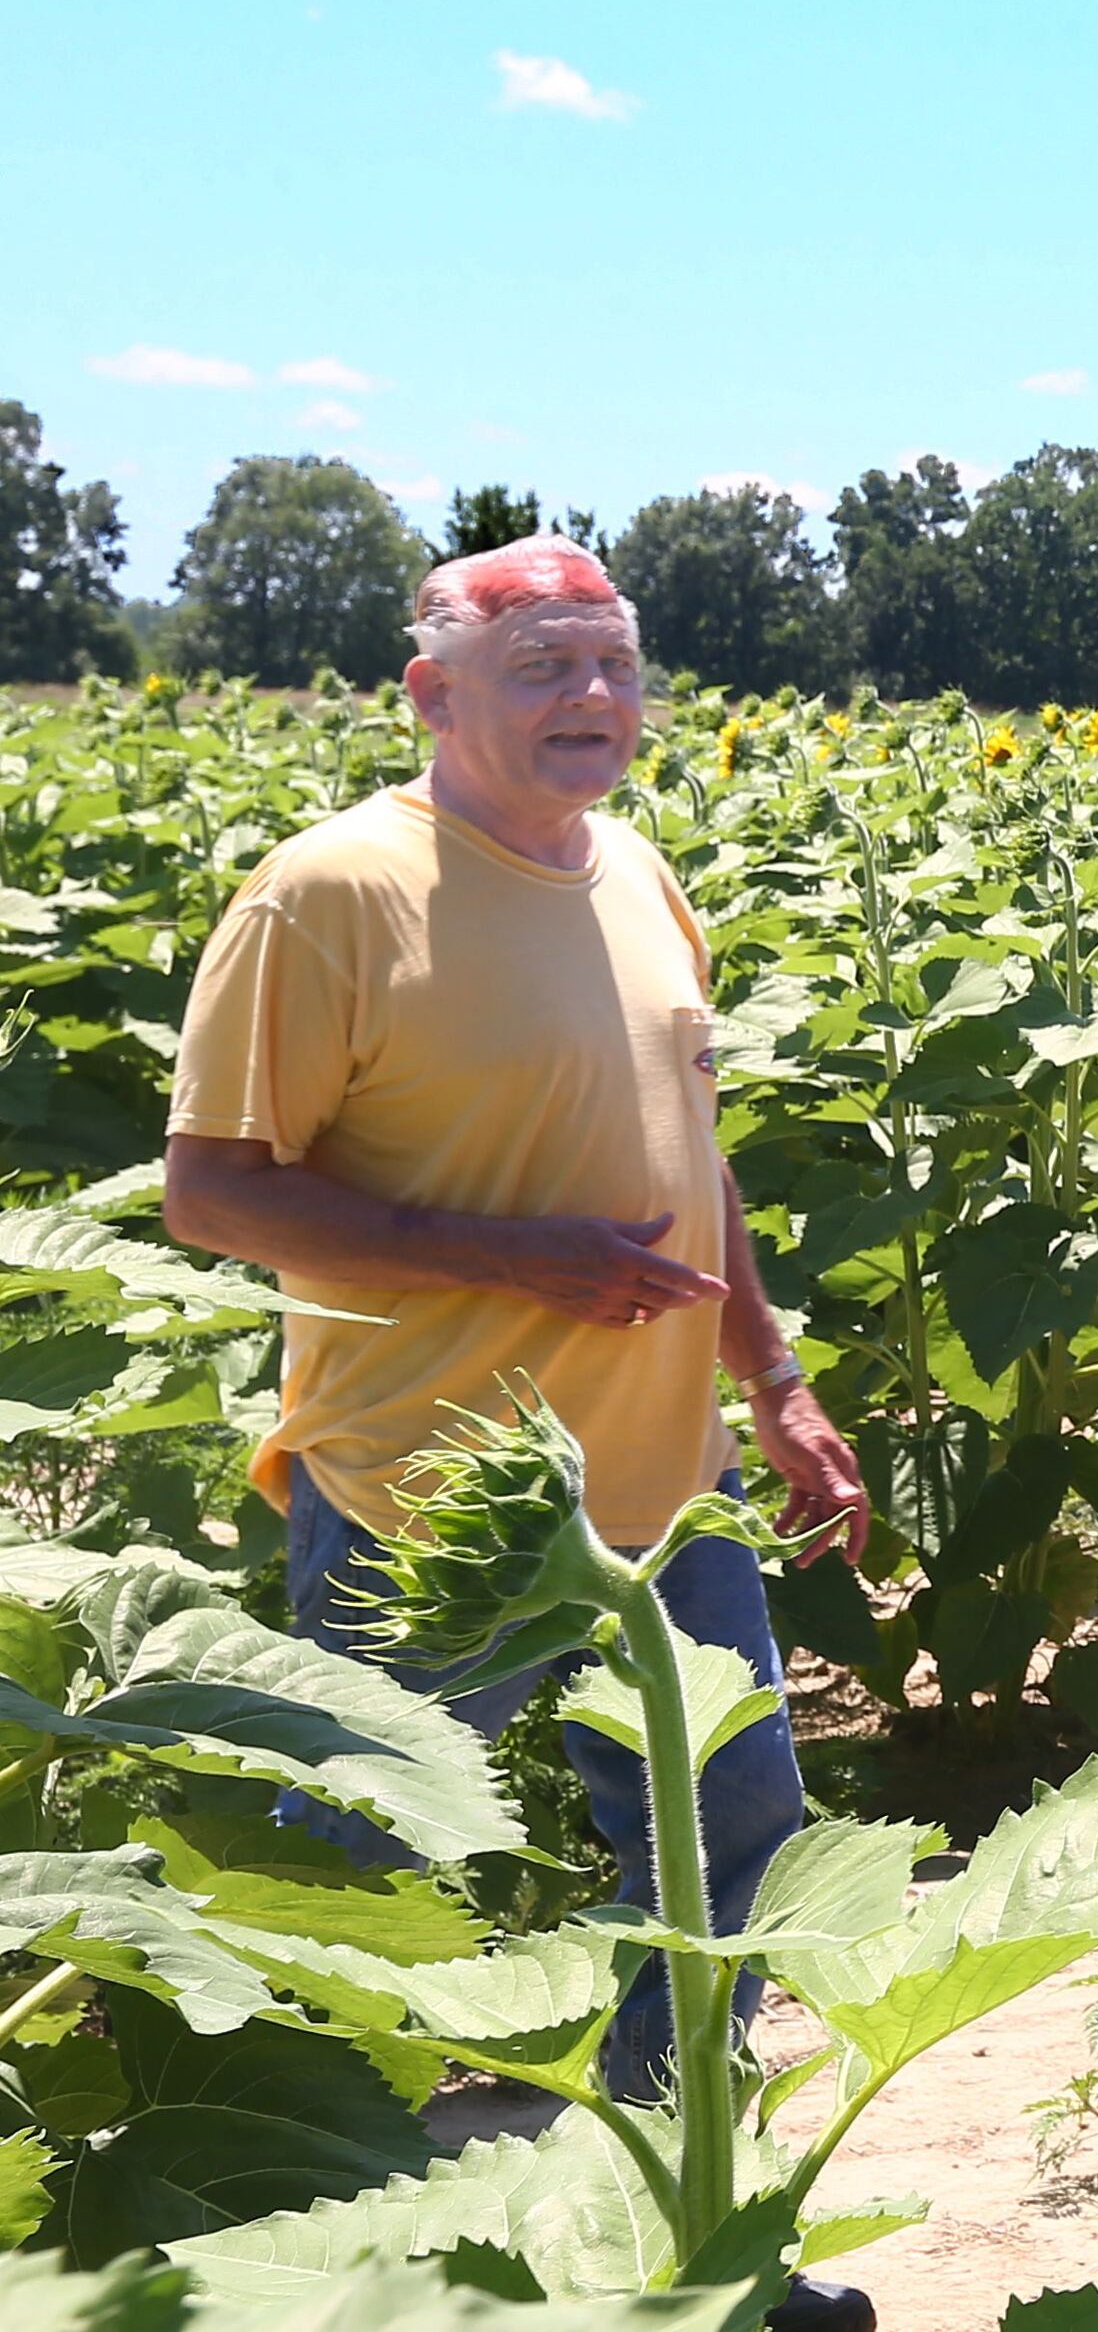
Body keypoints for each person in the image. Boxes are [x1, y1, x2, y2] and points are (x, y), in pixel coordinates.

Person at [159, 535, 872, 2321]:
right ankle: (302, 2244)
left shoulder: (635, 871)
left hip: (662, 1479)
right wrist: (506, 1257)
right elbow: (212, 1190)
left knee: (733, 1839)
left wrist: (770, 1377)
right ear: (433, 692)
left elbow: (689, 1153)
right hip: (435, 1496)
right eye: (546, 666)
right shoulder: (334, 893)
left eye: (615, 665)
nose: (594, 702)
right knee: (369, 1880)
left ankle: (679, 2221)